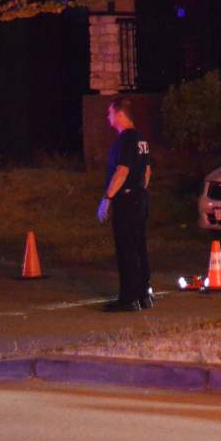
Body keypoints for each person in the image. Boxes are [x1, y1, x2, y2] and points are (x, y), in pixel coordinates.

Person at [97, 97, 153, 313]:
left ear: (119, 114)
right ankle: (143, 294)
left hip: (127, 201)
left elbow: (122, 171)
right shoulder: (141, 139)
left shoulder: (126, 140)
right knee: (139, 246)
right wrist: (140, 191)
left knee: (126, 249)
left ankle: (128, 299)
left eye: (109, 113)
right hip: (140, 198)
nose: (108, 117)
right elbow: (147, 171)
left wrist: (108, 199)